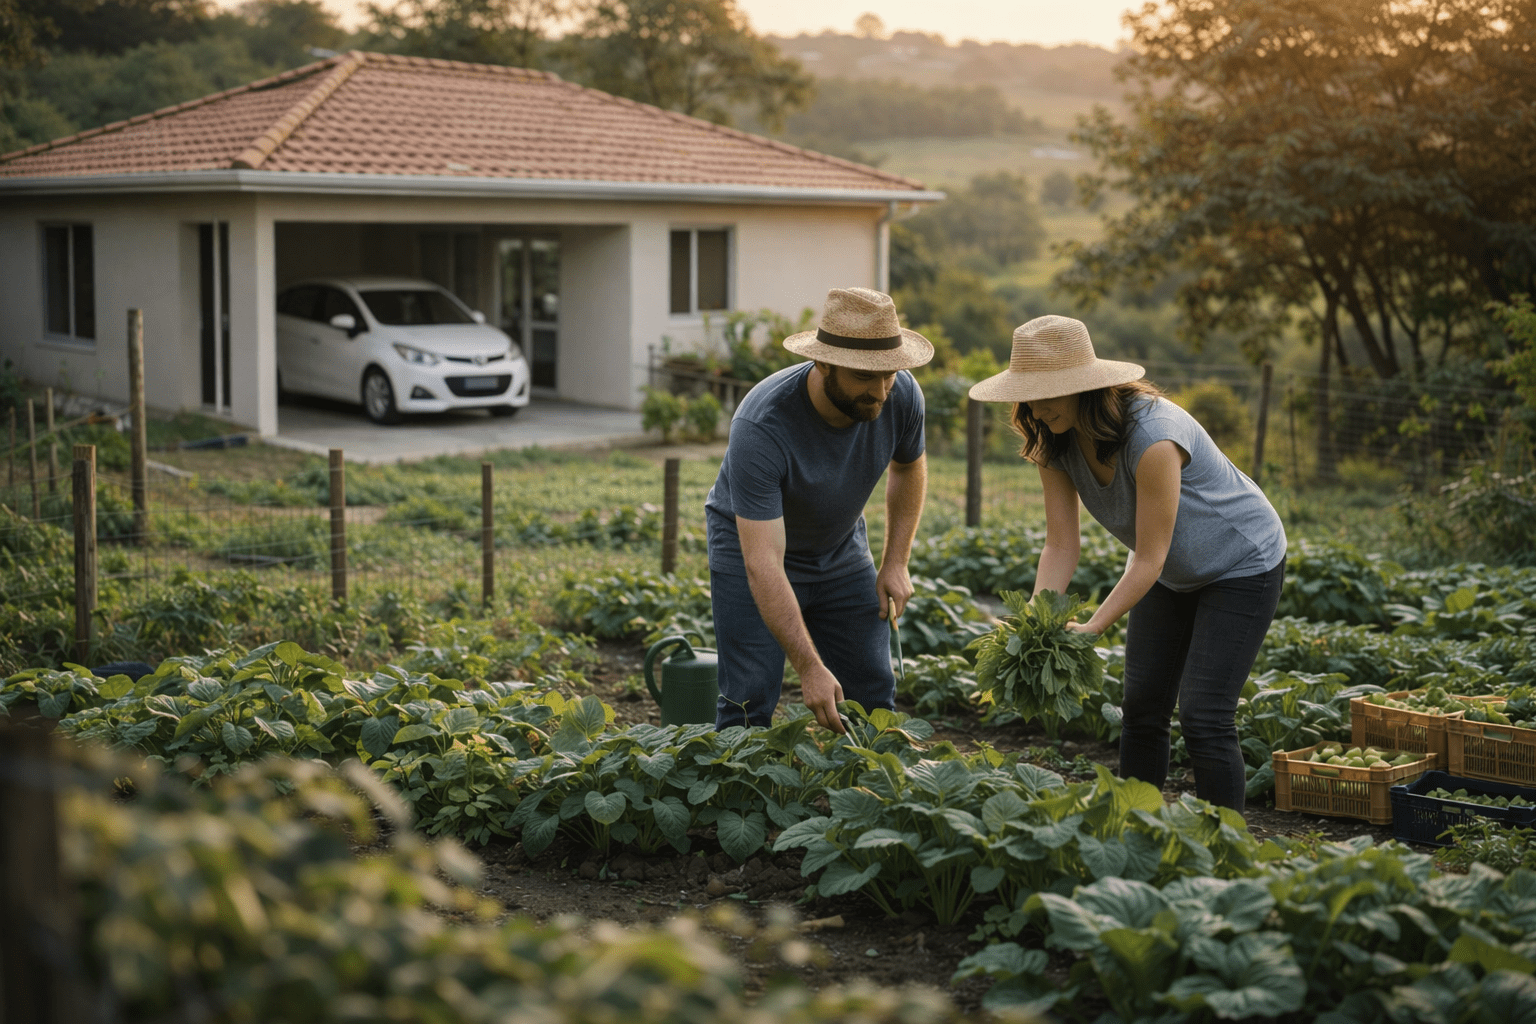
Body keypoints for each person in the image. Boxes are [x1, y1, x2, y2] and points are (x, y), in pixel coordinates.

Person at [968, 315, 1287, 811]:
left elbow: (1149, 556)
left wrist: (1093, 627)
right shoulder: (1053, 437)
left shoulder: (1154, 437)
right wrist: (1036, 618)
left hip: (1241, 562)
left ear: (1084, 388)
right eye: (1026, 393)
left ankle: (1227, 851)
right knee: (1141, 708)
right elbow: (1060, 545)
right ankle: (1136, 824)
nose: (1034, 406)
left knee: (1204, 715)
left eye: (1047, 392)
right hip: (1171, 571)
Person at [704, 287, 933, 734]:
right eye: (865, 376)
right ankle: (736, 795)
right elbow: (764, 563)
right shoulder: (762, 425)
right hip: (751, 550)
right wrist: (808, 666)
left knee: (871, 687)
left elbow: (909, 468)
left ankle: (870, 790)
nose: (881, 390)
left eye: (888, 373)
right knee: (749, 694)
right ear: (824, 362)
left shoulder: (901, 393)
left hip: (840, 547)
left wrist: (896, 561)